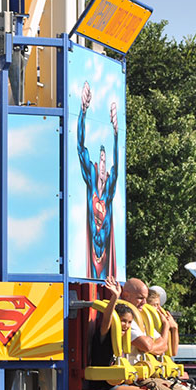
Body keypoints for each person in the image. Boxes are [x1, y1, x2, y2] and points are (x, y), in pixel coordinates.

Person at [77, 80, 119, 279]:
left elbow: (117, 168)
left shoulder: (108, 193)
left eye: (105, 162)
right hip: (92, 257)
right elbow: (80, 146)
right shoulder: (92, 184)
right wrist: (82, 112)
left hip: (105, 261)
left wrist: (116, 135)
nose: (103, 166)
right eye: (100, 161)